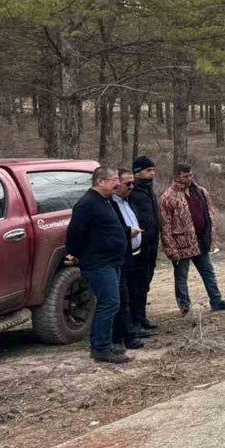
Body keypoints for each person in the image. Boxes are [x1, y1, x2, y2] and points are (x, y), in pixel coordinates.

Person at [65, 167, 133, 364]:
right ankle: (101, 348)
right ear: (101, 181)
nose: (118, 183)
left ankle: (102, 344)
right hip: (98, 263)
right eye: (114, 180)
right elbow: (75, 234)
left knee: (109, 304)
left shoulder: (104, 201)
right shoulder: (86, 204)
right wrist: (76, 255)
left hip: (111, 261)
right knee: (109, 303)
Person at [159, 162, 225, 315]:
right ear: (176, 176)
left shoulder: (200, 191)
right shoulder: (167, 198)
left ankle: (217, 301)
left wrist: (211, 236)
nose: (189, 178)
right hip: (181, 244)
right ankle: (185, 307)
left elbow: (209, 214)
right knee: (181, 276)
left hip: (201, 240)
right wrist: (171, 249)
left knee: (208, 272)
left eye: (190, 175)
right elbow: (165, 226)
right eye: (185, 176)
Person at [126, 156, 162, 334]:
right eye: (149, 170)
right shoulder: (133, 192)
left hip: (151, 245)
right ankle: (135, 322)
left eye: (153, 170)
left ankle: (142, 316)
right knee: (137, 284)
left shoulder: (149, 191)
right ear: (137, 172)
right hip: (138, 246)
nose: (152, 173)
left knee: (146, 283)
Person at [110, 169, 146, 351]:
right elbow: (113, 229)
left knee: (134, 292)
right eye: (127, 184)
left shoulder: (128, 201)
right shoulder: (111, 204)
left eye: (133, 183)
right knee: (122, 297)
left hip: (135, 253)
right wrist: (127, 232)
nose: (132, 187)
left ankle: (134, 327)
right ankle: (125, 336)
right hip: (121, 257)